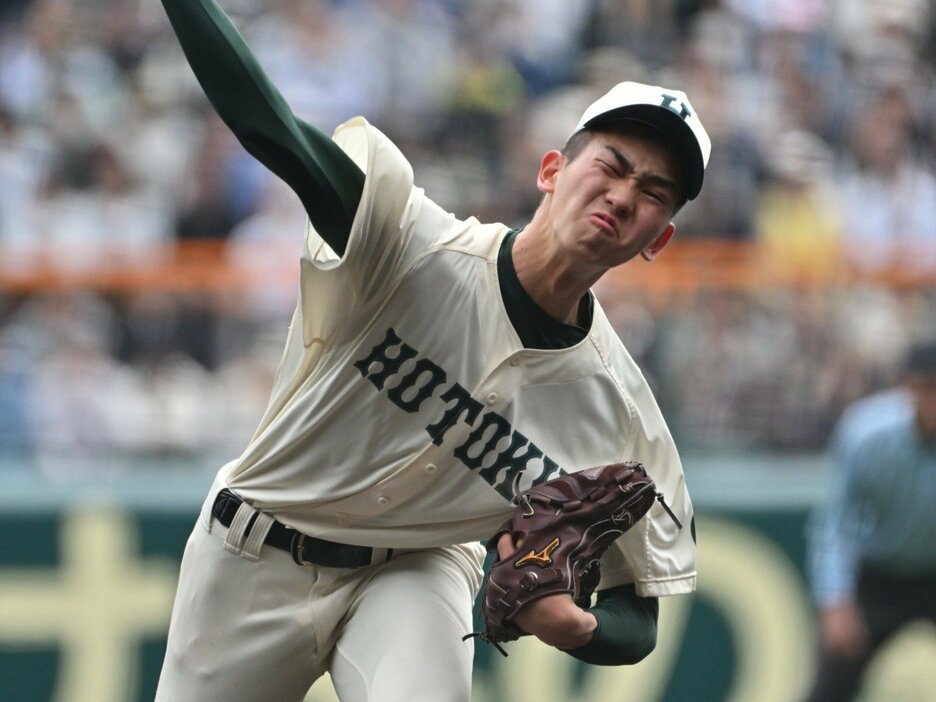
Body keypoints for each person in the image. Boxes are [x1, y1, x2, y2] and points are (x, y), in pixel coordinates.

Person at [154, 1, 709, 700]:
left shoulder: (619, 412)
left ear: (658, 239)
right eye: (612, 165)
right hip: (256, 548)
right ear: (550, 171)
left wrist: (580, 628)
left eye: (653, 192)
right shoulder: (412, 245)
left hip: (415, 569)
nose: (623, 195)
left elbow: (640, 611)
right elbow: (271, 124)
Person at [803, 340, 936, 702]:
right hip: (878, 575)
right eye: (929, 387)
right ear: (909, 387)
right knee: (830, 686)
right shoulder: (868, 434)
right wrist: (836, 599)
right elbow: (837, 523)